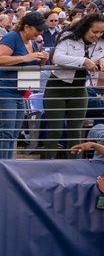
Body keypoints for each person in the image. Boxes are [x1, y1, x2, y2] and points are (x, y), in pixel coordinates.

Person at [43, 12, 104, 159]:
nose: (97, 35)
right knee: (55, 130)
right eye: (94, 31)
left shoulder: (101, 42)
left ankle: (74, 166)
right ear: (85, 28)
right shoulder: (68, 37)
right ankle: (47, 163)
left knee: (75, 131)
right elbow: (57, 57)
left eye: (101, 32)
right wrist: (83, 60)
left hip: (79, 89)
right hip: (57, 88)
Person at [0, 12, 50, 159]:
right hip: (4, 92)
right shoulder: (12, 37)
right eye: (38, 29)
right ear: (26, 27)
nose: (40, 33)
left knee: (13, 134)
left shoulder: (32, 43)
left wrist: (42, 60)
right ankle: (2, 167)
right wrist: (25, 57)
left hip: (19, 93)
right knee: (5, 133)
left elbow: (31, 63)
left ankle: (9, 165)